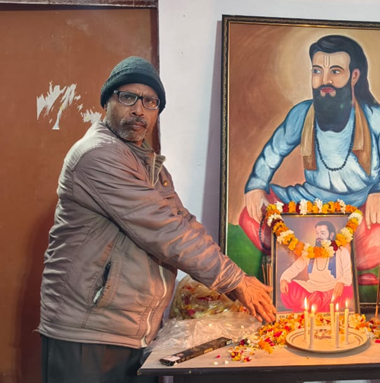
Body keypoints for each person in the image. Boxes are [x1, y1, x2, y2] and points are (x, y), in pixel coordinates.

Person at [38, 56, 276, 383]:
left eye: (150, 102)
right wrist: (235, 282)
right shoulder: (98, 154)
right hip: (89, 332)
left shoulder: (150, 165)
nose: (139, 110)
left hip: (134, 330)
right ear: (107, 102)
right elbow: (165, 230)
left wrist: (236, 277)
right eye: (128, 97)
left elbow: (184, 223)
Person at [240, 34, 380, 283]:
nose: (325, 80)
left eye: (335, 71)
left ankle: (321, 262)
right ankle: (336, 263)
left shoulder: (379, 120)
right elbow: (272, 154)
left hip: (361, 206)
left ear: (354, 76)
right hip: (310, 203)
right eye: (317, 71)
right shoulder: (301, 114)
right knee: (251, 214)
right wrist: (256, 186)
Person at [279, 221, 353, 312]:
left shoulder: (342, 252)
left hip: (333, 288)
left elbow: (347, 275)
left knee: (347, 290)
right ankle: (318, 304)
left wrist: (342, 282)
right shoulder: (310, 252)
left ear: (331, 235)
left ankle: (312, 304)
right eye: (317, 233)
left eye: (322, 233)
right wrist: (284, 279)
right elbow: (294, 268)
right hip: (312, 288)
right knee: (289, 289)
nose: (319, 236)